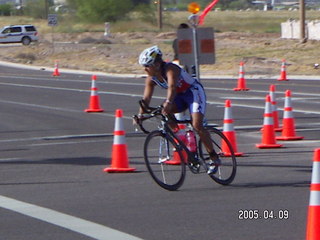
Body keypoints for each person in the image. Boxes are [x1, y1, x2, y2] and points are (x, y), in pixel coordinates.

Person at [137, 45, 220, 175]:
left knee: (197, 125)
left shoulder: (171, 69)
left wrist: (169, 102)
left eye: (148, 66)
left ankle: (214, 157)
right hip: (179, 97)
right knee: (163, 111)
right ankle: (182, 137)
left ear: (157, 64)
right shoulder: (150, 79)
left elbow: (172, 87)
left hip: (193, 92)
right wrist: (140, 115)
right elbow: (146, 98)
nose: (145, 69)